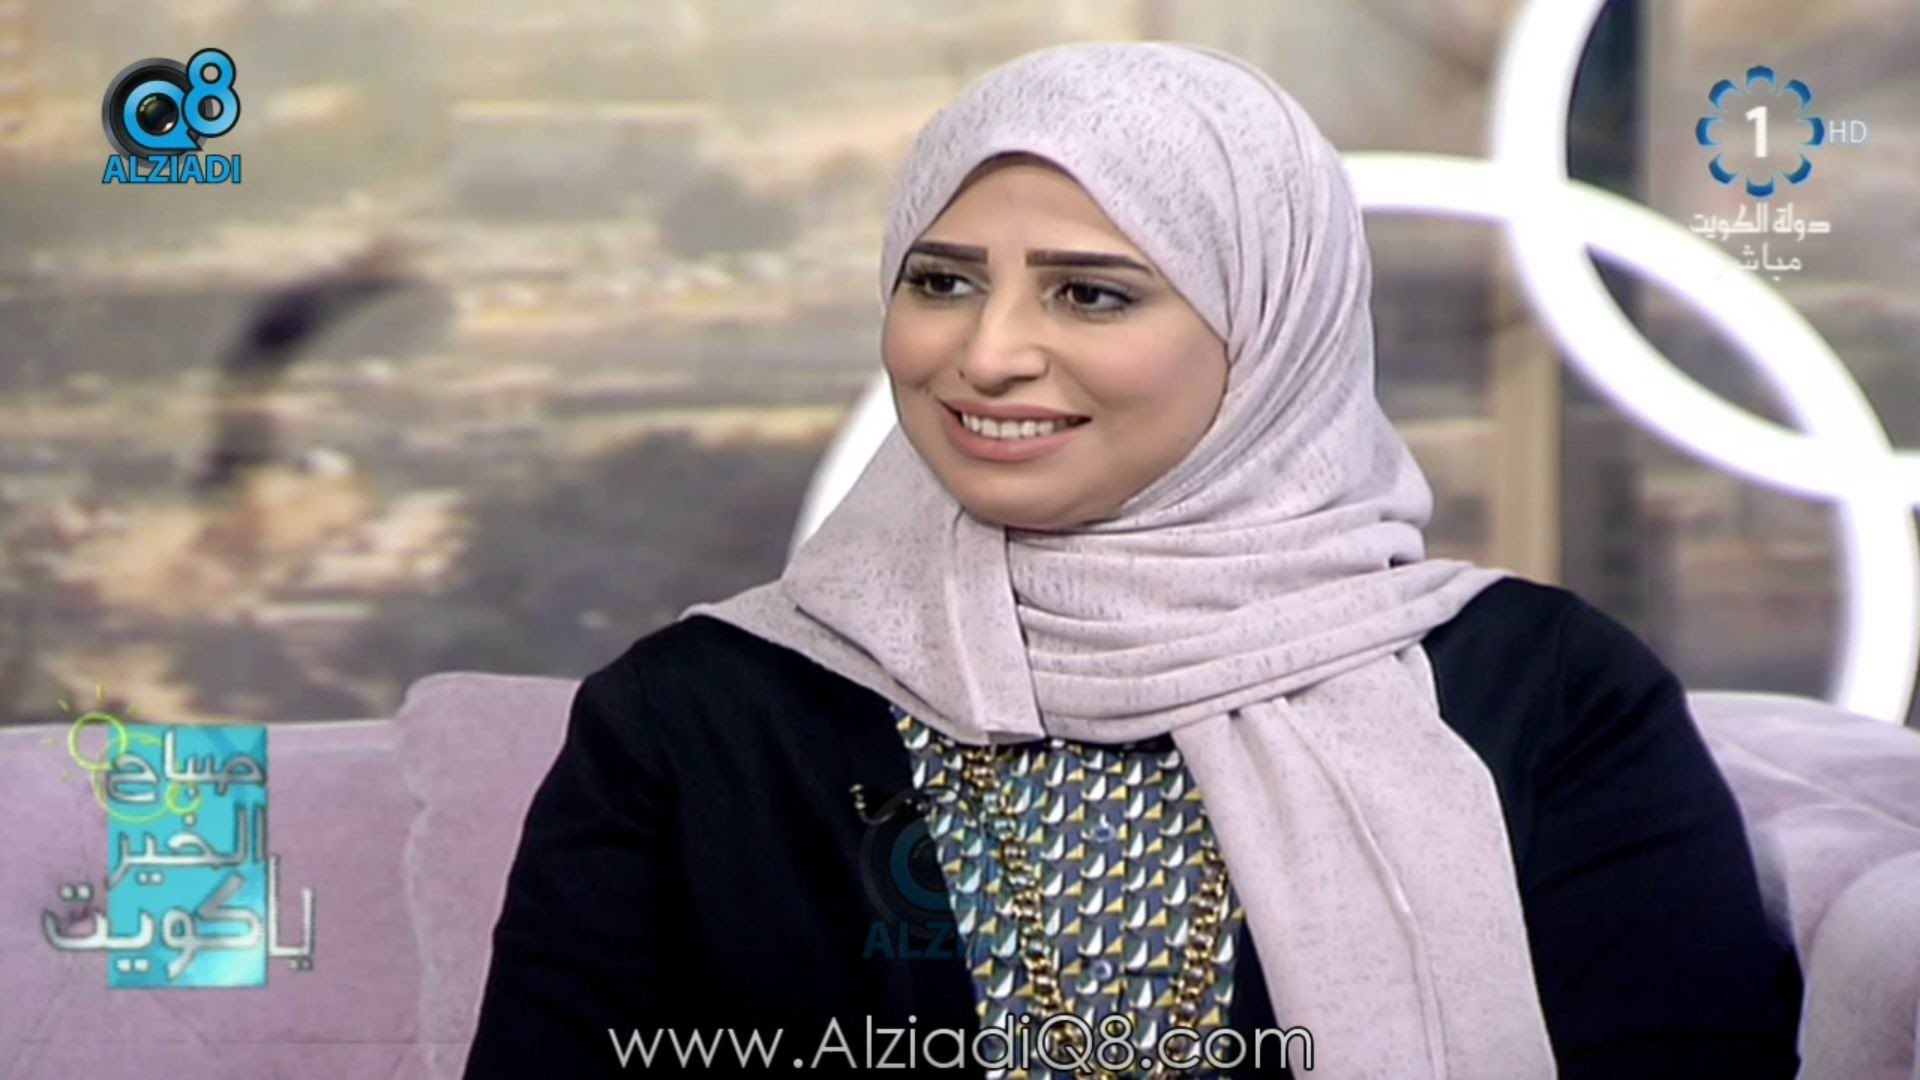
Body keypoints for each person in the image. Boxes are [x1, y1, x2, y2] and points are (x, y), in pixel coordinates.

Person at [464, 41, 1802, 1079]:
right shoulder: (699, 715)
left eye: (1090, 293)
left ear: (1269, 329)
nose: (986, 352)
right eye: (940, 281)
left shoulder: (1545, 692)